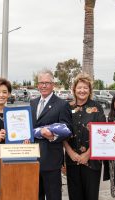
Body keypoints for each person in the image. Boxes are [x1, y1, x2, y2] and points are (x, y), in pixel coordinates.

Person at [30, 69, 72, 200]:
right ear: (37, 85)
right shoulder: (33, 102)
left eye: (47, 83)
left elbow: (68, 129)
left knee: (53, 196)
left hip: (51, 161)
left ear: (53, 84)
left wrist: (53, 136)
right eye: (41, 83)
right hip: (32, 158)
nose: (43, 86)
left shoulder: (62, 104)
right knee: (35, 195)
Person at [63, 73, 106, 200]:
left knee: (91, 196)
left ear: (90, 90)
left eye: (85, 88)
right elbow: (62, 132)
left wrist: (87, 154)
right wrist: (70, 153)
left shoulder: (97, 108)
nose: (82, 90)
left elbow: (102, 134)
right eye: (79, 87)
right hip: (73, 160)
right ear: (74, 89)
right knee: (75, 195)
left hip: (92, 161)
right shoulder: (67, 107)